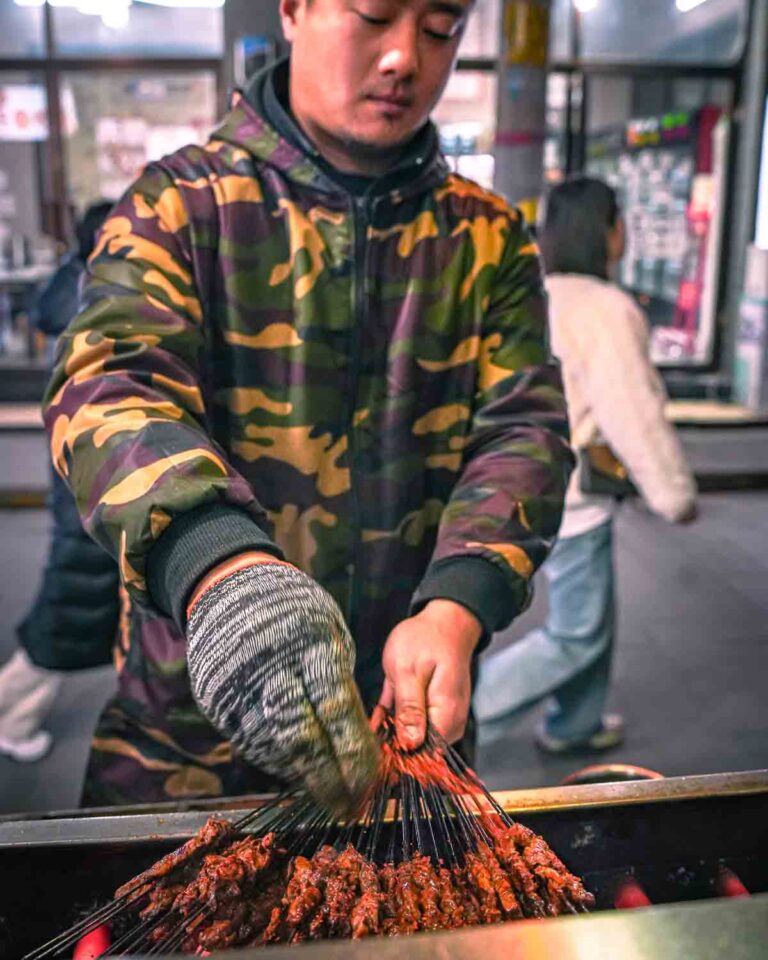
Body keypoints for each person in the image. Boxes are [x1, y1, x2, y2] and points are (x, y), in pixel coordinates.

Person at [44, 0, 573, 812]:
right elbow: (111, 381)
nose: (404, 57)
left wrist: (459, 604)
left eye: (440, 29)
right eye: (374, 16)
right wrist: (218, 567)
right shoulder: (182, 205)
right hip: (188, 737)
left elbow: (524, 429)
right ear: (293, 9)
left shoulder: (489, 239)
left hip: (404, 733)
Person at [473, 176, 698, 753]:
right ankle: (462, 719)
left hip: (514, 484)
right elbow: (633, 413)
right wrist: (673, 495)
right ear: (608, 232)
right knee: (577, 633)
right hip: (571, 498)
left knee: (596, 620)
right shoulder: (607, 308)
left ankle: (576, 724)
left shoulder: (534, 292)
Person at [0, 201, 120, 763]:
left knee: (74, 597)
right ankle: (12, 718)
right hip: (88, 482)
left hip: (76, 475)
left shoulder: (71, 285)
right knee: (70, 605)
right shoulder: (97, 299)